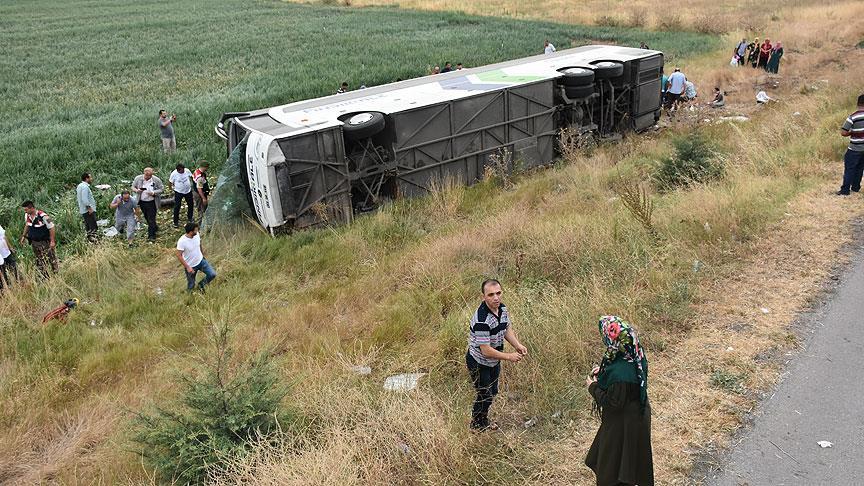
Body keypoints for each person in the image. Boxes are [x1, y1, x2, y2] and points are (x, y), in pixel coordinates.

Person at [585, 316, 654, 486]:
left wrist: (593, 387)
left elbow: (612, 402)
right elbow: (621, 374)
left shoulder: (620, 373)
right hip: (637, 417)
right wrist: (603, 372)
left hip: (623, 424)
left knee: (612, 469)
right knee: (627, 465)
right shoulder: (634, 353)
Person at [465, 279, 528, 430]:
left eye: (498, 293)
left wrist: (517, 345)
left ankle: (481, 420)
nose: (496, 298)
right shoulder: (482, 319)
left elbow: (506, 328)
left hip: (494, 360)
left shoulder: (502, 309)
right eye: (491, 294)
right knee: (484, 394)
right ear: (483, 296)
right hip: (479, 361)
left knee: (492, 391)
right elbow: (485, 350)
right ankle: (477, 425)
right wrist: (509, 356)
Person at [19, 201, 58, 279]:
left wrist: (52, 241)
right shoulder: (27, 215)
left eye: (26, 210)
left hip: (45, 242)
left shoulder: (43, 216)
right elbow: (27, 225)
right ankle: (45, 277)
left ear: (32, 208)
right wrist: (23, 236)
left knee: (51, 258)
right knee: (39, 260)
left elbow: (52, 227)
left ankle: (56, 274)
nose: (25, 212)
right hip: (34, 242)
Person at [175, 222, 216, 292]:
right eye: (195, 230)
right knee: (191, 285)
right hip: (191, 266)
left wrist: (202, 255)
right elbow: (179, 255)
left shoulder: (197, 235)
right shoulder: (182, 241)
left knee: (212, 274)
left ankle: (201, 285)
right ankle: (189, 298)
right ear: (190, 232)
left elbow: (199, 244)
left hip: (201, 261)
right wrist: (188, 267)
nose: (197, 231)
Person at [837, 94, 864, 196]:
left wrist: (852, 133)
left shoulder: (853, 117)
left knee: (850, 168)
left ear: (858, 103)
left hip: (854, 148)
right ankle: (856, 187)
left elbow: (843, 132)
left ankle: (845, 190)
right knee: (860, 168)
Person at [132, 167, 164, 242]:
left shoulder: (156, 180)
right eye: (146, 175)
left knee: (151, 218)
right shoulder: (138, 179)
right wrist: (137, 190)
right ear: (144, 173)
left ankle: (151, 236)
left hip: (152, 202)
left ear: (152, 175)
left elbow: (161, 189)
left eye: (149, 176)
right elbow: (133, 186)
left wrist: (153, 193)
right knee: (147, 217)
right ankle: (154, 227)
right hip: (142, 201)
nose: (147, 177)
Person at [169, 163, 194, 228]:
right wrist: (171, 190)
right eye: (181, 171)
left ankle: (190, 217)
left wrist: (193, 185)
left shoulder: (187, 170)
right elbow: (170, 182)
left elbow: (191, 177)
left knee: (191, 204)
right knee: (177, 206)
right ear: (178, 170)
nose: (183, 171)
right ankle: (175, 221)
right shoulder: (174, 174)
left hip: (188, 191)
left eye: (183, 170)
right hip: (178, 192)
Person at [76, 172, 98, 243]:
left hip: (83, 210)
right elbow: (84, 199)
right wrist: (89, 208)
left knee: (88, 226)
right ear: (86, 178)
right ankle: (94, 242)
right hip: (88, 210)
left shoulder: (80, 186)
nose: (91, 179)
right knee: (93, 227)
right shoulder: (85, 187)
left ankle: (89, 242)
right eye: (90, 177)